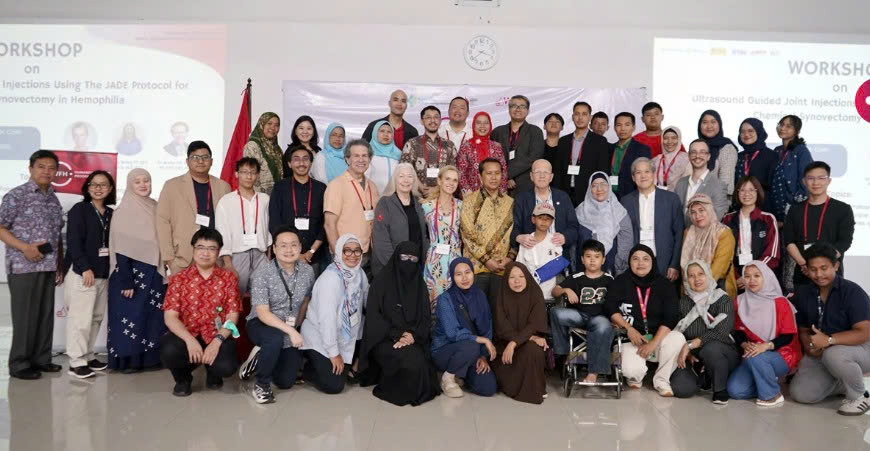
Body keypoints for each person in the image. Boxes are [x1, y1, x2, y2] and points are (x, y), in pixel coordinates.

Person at [0, 150, 65, 380]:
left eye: (51, 168)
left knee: (44, 316)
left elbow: (56, 236)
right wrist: (24, 247)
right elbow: (1, 227)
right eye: (41, 166)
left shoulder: (53, 199)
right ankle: (19, 364)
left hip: (48, 266)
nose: (47, 171)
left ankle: (41, 359)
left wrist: (59, 264)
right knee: (25, 317)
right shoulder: (16, 195)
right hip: (23, 266)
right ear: (30, 168)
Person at [789, 243, 870, 416]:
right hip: (822, 349)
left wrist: (829, 340)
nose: (819, 274)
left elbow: (864, 332)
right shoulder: (803, 293)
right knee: (801, 394)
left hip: (860, 347)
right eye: (813, 269)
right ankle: (843, 382)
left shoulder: (852, 291)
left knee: (835, 354)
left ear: (836, 266)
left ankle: (859, 396)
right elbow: (803, 329)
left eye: (824, 268)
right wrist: (809, 347)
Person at [160, 228, 241, 396]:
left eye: (212, 248)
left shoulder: (228, 278)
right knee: (169, 350)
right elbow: (170, 317)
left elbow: (232, 316)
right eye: (201, 247)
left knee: (227, 366)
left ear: (218, 251)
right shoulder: (178, 279)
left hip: (216, 334)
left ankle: (213, 371)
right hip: (188, 334)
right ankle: (183, 379)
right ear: (193, 249)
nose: (205, 253)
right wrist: (189, 340)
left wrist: (217, 341)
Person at [359, 241, 440, 406]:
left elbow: (425, 318)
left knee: (420, 362)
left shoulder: (419, 285)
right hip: (384, 338)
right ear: (396, 257)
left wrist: (412, 336)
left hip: (413, 338)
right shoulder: (381, 283)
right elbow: (374, 318)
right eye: (404, 257)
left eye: (413, 259)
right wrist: (398, 335)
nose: (408, 262)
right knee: (413, 362)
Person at [242, 226, 313, 404]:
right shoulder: (262, 274)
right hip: (261, 323)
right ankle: (261, 385)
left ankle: (260, 358)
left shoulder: (307, 272)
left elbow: (305, 301)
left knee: (285, 381)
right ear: (274, 248)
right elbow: (262, 313)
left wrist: (296, 326)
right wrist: (291, 332)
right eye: (283, 245)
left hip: (289, 326)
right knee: (274, 338)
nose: (289, 250)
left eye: (293, 245)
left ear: (300, 247)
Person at [107, 168, 167, 374]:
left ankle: (150, 359)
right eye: (137, 181)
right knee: (130, 319)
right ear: (129, 184)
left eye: (146, 180)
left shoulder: (155, 207)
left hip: (153, 272)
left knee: (152, 317)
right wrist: (126, 281)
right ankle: (128, 361)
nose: (143, 185)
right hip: (130, 274)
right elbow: (120, 249)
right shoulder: (123, 211)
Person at [605, 244, 684, 395]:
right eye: (635, 259)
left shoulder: (664, 284)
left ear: (652, 262)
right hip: (631, 339)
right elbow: (610, 308)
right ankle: (636, 377)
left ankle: (661, 380)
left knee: (678, 338)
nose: (640, 263)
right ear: (629, 262)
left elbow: (671, 317)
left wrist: (654, 343)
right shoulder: (620, 281)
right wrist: (629, 329)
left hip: (658, 339)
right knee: (630, 370)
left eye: (645, 259)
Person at [727, 262, 802, 407]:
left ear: (766, 277)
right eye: (747, 276)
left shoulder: (780, 302)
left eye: (757, 276)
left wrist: (765, 346)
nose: (752, 280)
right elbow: (738, 331)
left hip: (781, 353)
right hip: (752, 353)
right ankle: (766, 380)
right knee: (735, 391)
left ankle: (772, 395)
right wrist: (744, 344)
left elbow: (788, 336)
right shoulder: (739, 301)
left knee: (756, 357)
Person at [301, 234, 368, 394]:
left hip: (346, 333)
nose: (353, 255)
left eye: (357, 251)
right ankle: (307, 367)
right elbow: (327, 320)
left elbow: (368, 300)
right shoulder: (330, 280)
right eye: (347, 250)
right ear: (338, 252)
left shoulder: (359, 273)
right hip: (321, 334)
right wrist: (334, 353)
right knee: (334, 385)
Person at [64, 170, 115, 379]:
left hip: (103, 273)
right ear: (87, 187)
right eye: (94, 184)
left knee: (95, 318)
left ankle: (88, 354)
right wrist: (85, 267)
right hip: (83, 273)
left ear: (110, 189)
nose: (98, 188)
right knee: (80, 319)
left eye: (103, 185)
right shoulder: (80, 210)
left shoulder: (111, 213)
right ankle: (76, 361)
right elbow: (73, 242)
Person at [156, 141, 232, 275]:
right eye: (195, 157)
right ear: (187, 161)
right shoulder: (172, 186)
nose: (200, 161)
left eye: (205, 157)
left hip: (215, 257)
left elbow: (229, 224)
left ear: (212, 161)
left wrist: (226, 259)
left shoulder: (223, 187)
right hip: (182, 258)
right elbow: (162, 221)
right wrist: (169, 258)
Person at [671, 260, 739, 404]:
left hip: (722, 354)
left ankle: (720, 389)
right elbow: (677, 332)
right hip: (693, 356)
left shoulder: (722, 299)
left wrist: (691, 344)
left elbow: (722, 331)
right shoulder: (683, 302)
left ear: (708, 274)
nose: (696, 279)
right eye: (691, 276)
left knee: (711, 349)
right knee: (681, 389)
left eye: (701, 274)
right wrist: (687, 352)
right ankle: (704, 377)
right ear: (686, 279)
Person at [431, 258, 498, 398]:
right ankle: (447, 377)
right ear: (452, 276)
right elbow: (452, 333)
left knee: (488, 387)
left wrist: (483, 356)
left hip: (472, 351)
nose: (464, 278)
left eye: (467, 272)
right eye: (458, 274)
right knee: (471, 345)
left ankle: (460, 373)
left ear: (473, 273)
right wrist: (482, 340)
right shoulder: (445, 299)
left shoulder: (480, 295)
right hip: (445, 351)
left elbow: (487, 327)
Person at [550, 239, 615, 383]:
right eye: (588, 256)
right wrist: (566, 290)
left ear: (603, 260)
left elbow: (615, 303)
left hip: (599, 318)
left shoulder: (609, 280)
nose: (592, 260)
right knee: (556, 312)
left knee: (603, 325)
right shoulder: (576, 277)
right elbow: (554, 291)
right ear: (582, 259)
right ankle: (564, 353)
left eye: (597, 257)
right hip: (579, 315)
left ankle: (593, 372)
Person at [784, 161, 853, 288]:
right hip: (803, 273)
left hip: (831, 274)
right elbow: (789, 241)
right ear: (804, 181)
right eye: (811, 178)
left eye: (821, 178)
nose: (816, 183)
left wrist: (822, 266)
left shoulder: (843, 209)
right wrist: (804, 265)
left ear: (829, 181)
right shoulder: (795, 209)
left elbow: (845, 241)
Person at [492, 262, 549, 404]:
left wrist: (514, 343)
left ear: (527, 278)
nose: (517, 281)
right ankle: (513, 386)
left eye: (521, 276)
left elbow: (535, 324)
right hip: (504, 343)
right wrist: (527, 338)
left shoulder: (535, 293)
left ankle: (534, 388)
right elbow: (502, 327)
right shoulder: (501, 295)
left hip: (518, 342)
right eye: (512, 277)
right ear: (506, 280)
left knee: (534, 349)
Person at [460, 158, 516, 302]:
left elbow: (516, 233)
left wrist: (510, 258)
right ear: (480, 176)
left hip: (502, 269)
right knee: (477, 311)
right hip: (477, 269)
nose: (493, 177)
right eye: (489, 173)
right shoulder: (469, 201)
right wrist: (487, 260)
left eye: (497, 173)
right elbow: (467, 236)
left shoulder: (510, 202)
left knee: (500, 311)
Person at [215, 157, 271, 294]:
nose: (249, 176)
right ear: (236, 174)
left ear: (258, 175)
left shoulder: (265, 199)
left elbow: (268, 229)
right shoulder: (226, 201)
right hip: (237, 255)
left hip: (260, 255)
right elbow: (222, 233)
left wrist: (268, 257)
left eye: (253, 172)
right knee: (234, 297)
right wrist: (228, 263)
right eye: (244, 172)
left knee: (262, 297)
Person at [621, 158, 684, 281]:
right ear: (633, 177)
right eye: (638, 172)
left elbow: (679, 233)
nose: (643, 176)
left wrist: (674, 264)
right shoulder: (625, 202)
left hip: (664, 262)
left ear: (654, 174)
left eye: (647, 171)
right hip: (636, 263)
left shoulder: (671, 199)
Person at [512, 159, 579, 273]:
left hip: (558, 257)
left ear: (551, 177)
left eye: (545, 172)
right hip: (531, 258)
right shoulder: (521, 199)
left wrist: (565, 237)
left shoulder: (563, 197)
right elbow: (515, 228)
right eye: (537, 172)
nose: (542, 176)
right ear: (531, 176)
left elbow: (574, 227)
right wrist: (519, 238)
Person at [269, 146, 328, 272]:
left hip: (315, 256)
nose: (301, 163)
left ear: (311, 163)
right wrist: (293, 252)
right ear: (289, 164)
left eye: (305, 159)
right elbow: (274, 222)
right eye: (296, 159)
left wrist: (311, 251)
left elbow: (325, 223)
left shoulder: (321, 188)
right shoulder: (280, 188)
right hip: (286, 255)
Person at [323, 139, 381, 263]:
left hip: (369, 252)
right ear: (347, 159)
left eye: (364, 156)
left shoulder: (373, 186)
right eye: (356, 156)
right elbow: (329, 224)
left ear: (370, 159)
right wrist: (340, 256)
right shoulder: (336, 185)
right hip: (347, 254)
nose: (361, 160)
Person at [721, 176, 780, 290]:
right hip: (735, 279)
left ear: (758, 192)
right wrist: (736, 277)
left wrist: (752, 276)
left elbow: (772, 254)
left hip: (762, 277)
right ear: (737, 193)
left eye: (751, 190)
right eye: (742, 190)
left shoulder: (768, 218)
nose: (746, 194)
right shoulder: (727, 219)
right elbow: (724, 253)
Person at [371, 163, 429, 276]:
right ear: (395, 179)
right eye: (401, 176)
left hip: (416, 265)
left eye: (410, 176)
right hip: (392, 268)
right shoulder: (385, 203)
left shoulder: (418, 203)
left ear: (414, 180)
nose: (406, 180)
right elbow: (381, 241)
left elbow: (423, 235)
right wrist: (396, 265)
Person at [681, 194, 737, 300]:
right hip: (690, 292)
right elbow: (684, 266)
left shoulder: (723, 233)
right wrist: (690, 291)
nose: (697, 216)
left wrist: (699, 292)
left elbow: (718, 268)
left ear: (710, 210)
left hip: (717, 293)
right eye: (693, 212)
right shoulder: (688, 232)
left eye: (701, 210)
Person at [553, 101, 610, 206]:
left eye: (584, 114)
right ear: (572, 117)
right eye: (577, 114)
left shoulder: (600, 141)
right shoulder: (563, 141)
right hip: (565, 194)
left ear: (590, 117)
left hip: (589, 194)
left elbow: (602, 171)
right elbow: (558, 171)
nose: (580, 118)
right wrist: (557, 194)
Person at [575, 172, 632, 275]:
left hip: (612, 267)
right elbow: (574, 243)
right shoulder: (580, 211)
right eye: (594, 185)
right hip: (583, 268)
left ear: (609, 187)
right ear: (589, 189)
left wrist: (619, 266)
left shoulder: (619, 211)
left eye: (603, 184)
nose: (599, 189)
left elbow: (626, 241)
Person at [422, 166, 463, 308]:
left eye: (455, 180)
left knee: (454, 304)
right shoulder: (426, 206)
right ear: (439, 181)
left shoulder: (461, 206)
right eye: (447, 179)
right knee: (432, 303)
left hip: (455, 260)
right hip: (434, 262)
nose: (451, 183)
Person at [491, 95, 545, 194]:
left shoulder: (535, 131)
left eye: (522, 106)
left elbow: (534, 157)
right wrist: (504, 178)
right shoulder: (497, 132)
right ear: (509, 109)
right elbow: (492, 157)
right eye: (514, 106)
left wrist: (507, 174)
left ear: (527, 111)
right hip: (498, 186)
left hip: (526, 185)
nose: (518, 109)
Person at [400, 105, 457, 198]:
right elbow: (405, 169)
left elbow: (453, 171)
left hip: (443, 196)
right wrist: (421, 188)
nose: (433, 120)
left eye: (436, 117)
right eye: (428, 117)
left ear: (440, 121)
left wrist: (437, 189)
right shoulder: (412, 143)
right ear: (421, 121)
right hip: (417, 197)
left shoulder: (450, 145)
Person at [514, 203, 566, 299]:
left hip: (548, 295)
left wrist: (538, 276)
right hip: (527, 294)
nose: (544, 221)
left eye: (548, 219)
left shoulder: (555, 241)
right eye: (540, 218)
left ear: (552, 222)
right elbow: (519, 267)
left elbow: (557, 265)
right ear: (533, 219)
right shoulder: (526, 240)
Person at [771, 114, 814, 223]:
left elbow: (807, 181)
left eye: (788, 126)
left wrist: (794, 208)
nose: (783, 128)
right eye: (781, 124)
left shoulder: (801, 151)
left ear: (797, 131)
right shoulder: (777, 150)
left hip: (794, 209)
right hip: (776, 206)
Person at [675, 139, 729, 222]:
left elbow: (716, 218)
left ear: (708, 156)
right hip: (680, 230)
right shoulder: (680, 183)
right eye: (693, 152)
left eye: (702, 152)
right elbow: (675, 213)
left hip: (704, 231)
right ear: (688, 156)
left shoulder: (719, 186)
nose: (697, 156)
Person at [456, 111, 508, 196]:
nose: (482, 126)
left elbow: (503, 171)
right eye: (479, 123)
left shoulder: (497, 147)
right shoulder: (466, 146)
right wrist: (468, 192)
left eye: (486, 123)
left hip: (494, 195)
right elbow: (461, 172)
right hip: (471, 194)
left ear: (490, 125)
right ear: (473, 125)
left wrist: (501, 192)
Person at [735, 118, 777, 211]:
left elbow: (776, 188)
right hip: (740, 208)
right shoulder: (738, 156)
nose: (746, 134)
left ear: (759, 132)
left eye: (750, 131)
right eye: (742, 131)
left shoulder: (772, 156)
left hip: (764, 208)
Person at [609, 112, 651, 199]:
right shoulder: (608, 148)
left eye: (627, 125)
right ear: (614, 128)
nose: (623, 129)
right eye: (619, 125)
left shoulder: (642, 149)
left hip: (631, 196)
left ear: (633, 127)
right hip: (608, 196)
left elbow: (644, 176)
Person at [697, 110, 738, 198]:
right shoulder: (697, 146)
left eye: (713, 122)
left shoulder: (727, 148)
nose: (709, 126)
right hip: (694, 200)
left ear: (719, 124)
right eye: (705, 122)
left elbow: (725, 184)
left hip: (717, 201)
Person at [242, 112, 282, 194]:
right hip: (259, 196)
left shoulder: (277, 149)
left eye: (276, 125)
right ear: (261, 124)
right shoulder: (252, 146)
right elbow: (250, 175)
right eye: (269, 123)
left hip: (277, 195)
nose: (273, 127)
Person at [366, 120, 402, 193]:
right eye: (382, 131)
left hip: (394, 196)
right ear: (375, 133)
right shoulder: (366, 153)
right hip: (372, 195)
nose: (386, 134)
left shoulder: (399, 154)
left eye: (389, 132)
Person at [650, 126, 689, 192]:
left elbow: (687, 183)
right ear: (662, 140)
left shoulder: (686, 159)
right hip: (658, 195)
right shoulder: (655, 160)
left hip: (680, 195)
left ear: (679, 139)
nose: (669, 141)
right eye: (666, 138)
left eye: (673, 138)